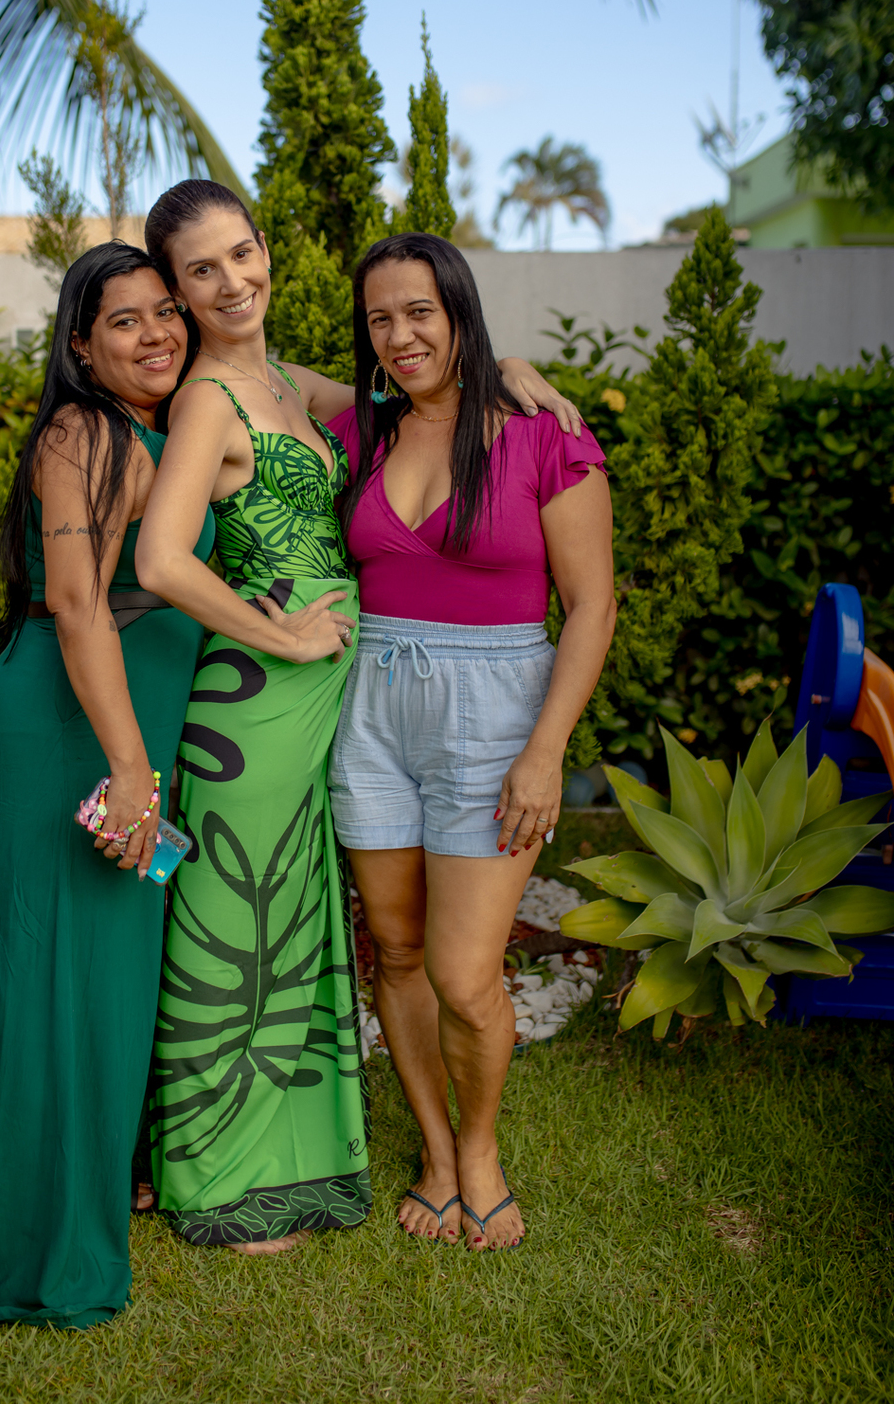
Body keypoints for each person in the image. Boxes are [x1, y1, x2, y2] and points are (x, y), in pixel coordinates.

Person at [135, 183, 585, 1255]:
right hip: (266, 700)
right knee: (239, 925)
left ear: (266, 250)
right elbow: (159, 560)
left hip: (350, 704)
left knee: (293, 923)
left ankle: (299, 1153)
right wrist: (279, 634)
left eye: (241, 253)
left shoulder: (295, 385)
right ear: (179, 291)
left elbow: (427, 375)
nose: (230, 281)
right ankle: (221, 1173)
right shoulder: (208, 400)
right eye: (200, 271)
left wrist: (512, 367)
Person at [0, 243, 218, 1327]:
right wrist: (131, 768)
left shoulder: (160, 431)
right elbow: (77, 600)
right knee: (71, 973)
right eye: (124, 321)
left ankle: (91, 1168)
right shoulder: (82, 433)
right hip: (77, 729)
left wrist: (504, 373)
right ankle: (48, 1237)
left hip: (120, 726)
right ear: (82, 349)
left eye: (165, 311)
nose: (156, 333)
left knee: (108, 971)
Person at [326, 232, 616, 1253]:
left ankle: (482, 1147)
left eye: (420, 312)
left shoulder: (543, 435)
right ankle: (439, 1153)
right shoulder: (361, 431)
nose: (399, 336)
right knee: (398, 950)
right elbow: (249, 368)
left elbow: (591, 606)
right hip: (372, 714)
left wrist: (545, 752)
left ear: (461, 312)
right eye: (379, 319)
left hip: (496, 719)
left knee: (462, 974)